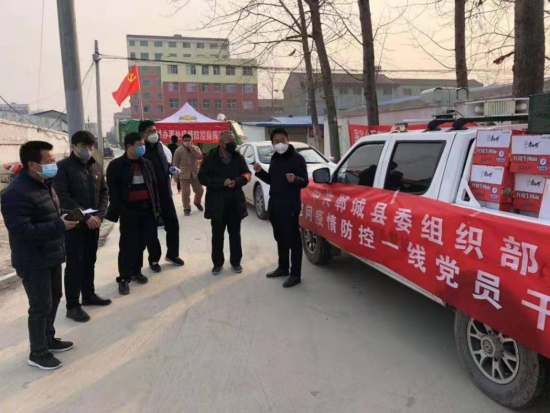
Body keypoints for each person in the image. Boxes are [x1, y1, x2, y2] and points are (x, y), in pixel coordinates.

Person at [1, 141, 77, 370]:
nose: (54, 165)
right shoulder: (15, 193)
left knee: (54, 298)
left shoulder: (44, 183)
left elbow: (48, 214)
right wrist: (59, 225)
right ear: (32, 164)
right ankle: (38, 352)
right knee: (40, 306)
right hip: (33, 260)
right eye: (50, 161)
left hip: (51, 253)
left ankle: (48, 338)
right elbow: (21, 230)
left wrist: (66, 218)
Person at [53, 131, 111, 323]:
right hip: (75, 225)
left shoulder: (95, 165)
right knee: (75, 264)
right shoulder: (63, 168)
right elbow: (63, 198)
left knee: (89, 260)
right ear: (73, 147)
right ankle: (72, 306)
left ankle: (88, 295)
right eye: (84, 147)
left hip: (93, 224)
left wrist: (100, 215)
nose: (88, 150)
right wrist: (85, 217)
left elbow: (104, 193)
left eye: (91, 147)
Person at [105, 132, 161, 295]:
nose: (142, 147)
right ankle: (124, 278)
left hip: (147, 209)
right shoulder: (116, 166)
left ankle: (136, 271)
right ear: (129, 147)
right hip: (129, 210)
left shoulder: (147, 163)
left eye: (143, 144)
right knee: (127, 245)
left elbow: (153, 187)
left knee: (142, 243)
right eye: (139, 145)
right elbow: (113, 192)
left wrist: (156, 208)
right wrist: (119, 210)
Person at [254, 128, 309, 288]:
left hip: (290, 205)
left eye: (283, 140)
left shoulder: (297, 159)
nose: (280, 144)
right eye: (276, 141)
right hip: (275, 204)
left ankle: (295, 274)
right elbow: (272, 180)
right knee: (280, 237)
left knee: (293, 240)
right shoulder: (275, 158)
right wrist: (260, 172)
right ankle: (283, 267)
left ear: (288, 140)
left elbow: (305, 181)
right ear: (272, 144)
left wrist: (295, 179)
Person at [198, 131, 251, 275]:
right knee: (217, 236)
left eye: (233, 141)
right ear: (220, 143)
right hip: (217, 204)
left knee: (235, 235)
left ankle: (236, 262)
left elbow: (247, 174)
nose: (232, 144)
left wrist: (237, 181)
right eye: (229, 141)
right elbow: (202, 177)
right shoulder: (211, 158)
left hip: (235, 203)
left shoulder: (238, 157)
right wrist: (221, 183)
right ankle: (217, 264)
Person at [139, 120, 184, 271]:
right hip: (150, 197)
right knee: (151, 230)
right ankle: (154, 259)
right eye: (150, 132)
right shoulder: (141, 150)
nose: (154, 134)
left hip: (165, 193)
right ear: (142, 134)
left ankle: (172, 254)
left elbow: (164, 165)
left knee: (173, 225)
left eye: (155, 131)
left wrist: (171, 168)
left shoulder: (160, 147)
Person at [173, 134, 204, 216]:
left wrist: (192, 148)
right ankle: (186, 208)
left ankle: (197, 202)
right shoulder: (178, 150)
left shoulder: (196, 148)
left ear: (191, 140)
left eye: (189, 140)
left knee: (200, 190)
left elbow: (199, 157)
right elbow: (175, 164)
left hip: (194, 174)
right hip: (183, 175)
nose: (187, 142)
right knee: (185, 193)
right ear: (182, 141)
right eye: (185, 140)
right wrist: (175, 176)